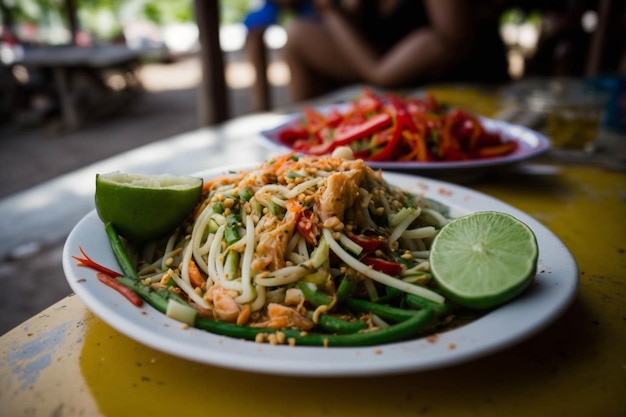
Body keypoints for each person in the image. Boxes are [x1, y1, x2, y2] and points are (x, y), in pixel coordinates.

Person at [282, 0, 511, 101]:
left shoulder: (434, 37)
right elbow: (358, 40)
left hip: (459, 86)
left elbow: (381, 74)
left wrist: (329, 11)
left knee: (425, 44)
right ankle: (305, 152)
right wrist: (330, 10)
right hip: (387, 71)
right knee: (297, 35)